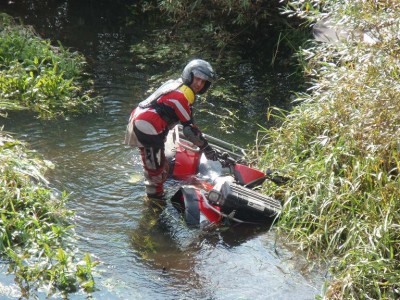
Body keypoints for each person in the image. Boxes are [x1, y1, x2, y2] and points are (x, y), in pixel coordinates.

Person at [125, 59, 218, 199]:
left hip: (141, 120)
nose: (199, 84)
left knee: (156, 164)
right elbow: (189, 130)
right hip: (147, 127)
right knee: (155, 172)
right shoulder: (180, 96)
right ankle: (154, 202)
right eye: (197, 79)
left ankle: (149, 180)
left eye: (203, 82)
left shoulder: (175, 84)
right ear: (190, 75)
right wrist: (207, 148)